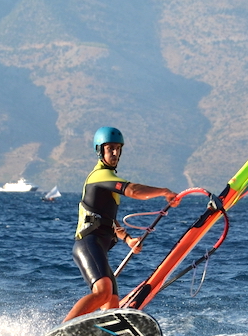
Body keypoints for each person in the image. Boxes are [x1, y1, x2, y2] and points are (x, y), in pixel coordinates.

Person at [64, 127, 179, 321]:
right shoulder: (99, 176)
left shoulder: (107, 180)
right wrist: (164, 191)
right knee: (103, 292)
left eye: (118, 148)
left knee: (111, 307)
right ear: (100, 151)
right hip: (88, 243)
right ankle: (61, 331)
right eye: (110, 148)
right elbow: (133, 191)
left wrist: (128, 239)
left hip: (99, 246)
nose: (115, 153)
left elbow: (108, 220)